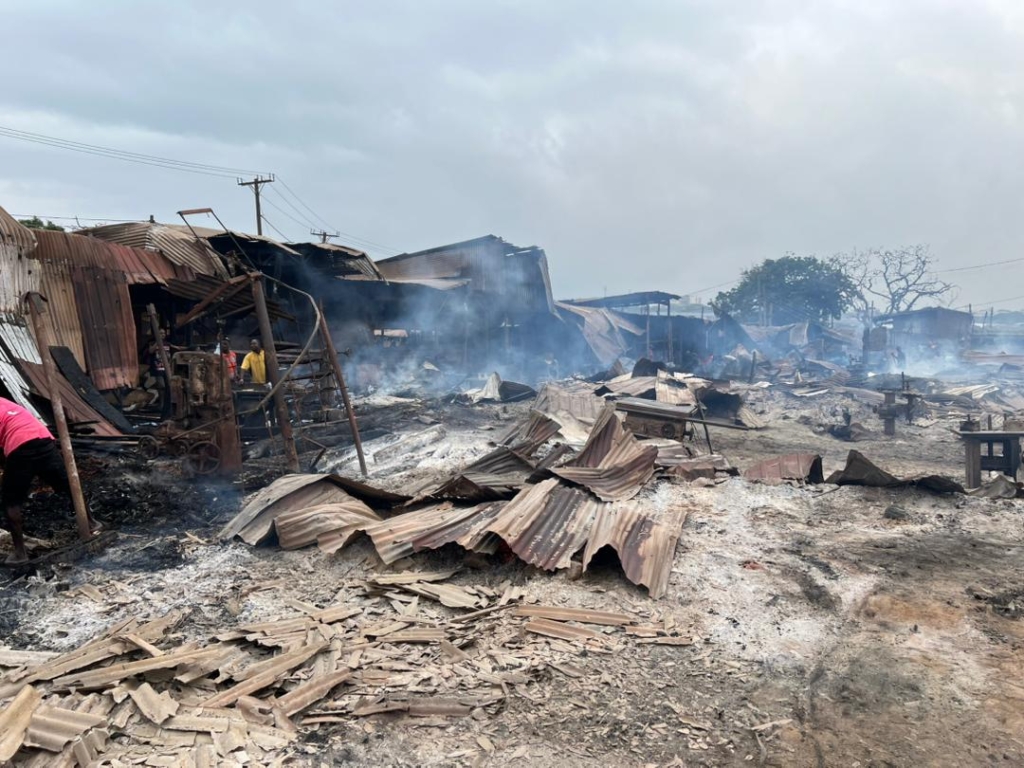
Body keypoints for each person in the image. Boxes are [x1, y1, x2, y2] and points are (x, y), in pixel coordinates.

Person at [0, 398, 101, 564]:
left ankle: (20, 553)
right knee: (69, 485)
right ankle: (91, 523)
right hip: (43, 438)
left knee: (11, 502)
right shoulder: (5, 403)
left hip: (20, 446)